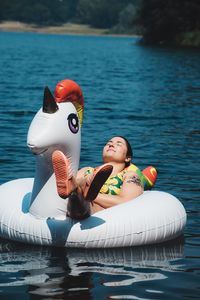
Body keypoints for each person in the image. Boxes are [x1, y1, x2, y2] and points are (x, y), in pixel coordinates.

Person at [52, 136, 155, 219]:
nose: (111, 144)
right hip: (73, 206)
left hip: (98, 212)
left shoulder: (130, 175)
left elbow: (125, 202)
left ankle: (80, 189)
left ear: (127, 158)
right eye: (108, 143)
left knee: (80, 194)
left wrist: (93, 196)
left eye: (119, 144)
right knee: (78, 186)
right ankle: (78, 187)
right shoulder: (87, 170)